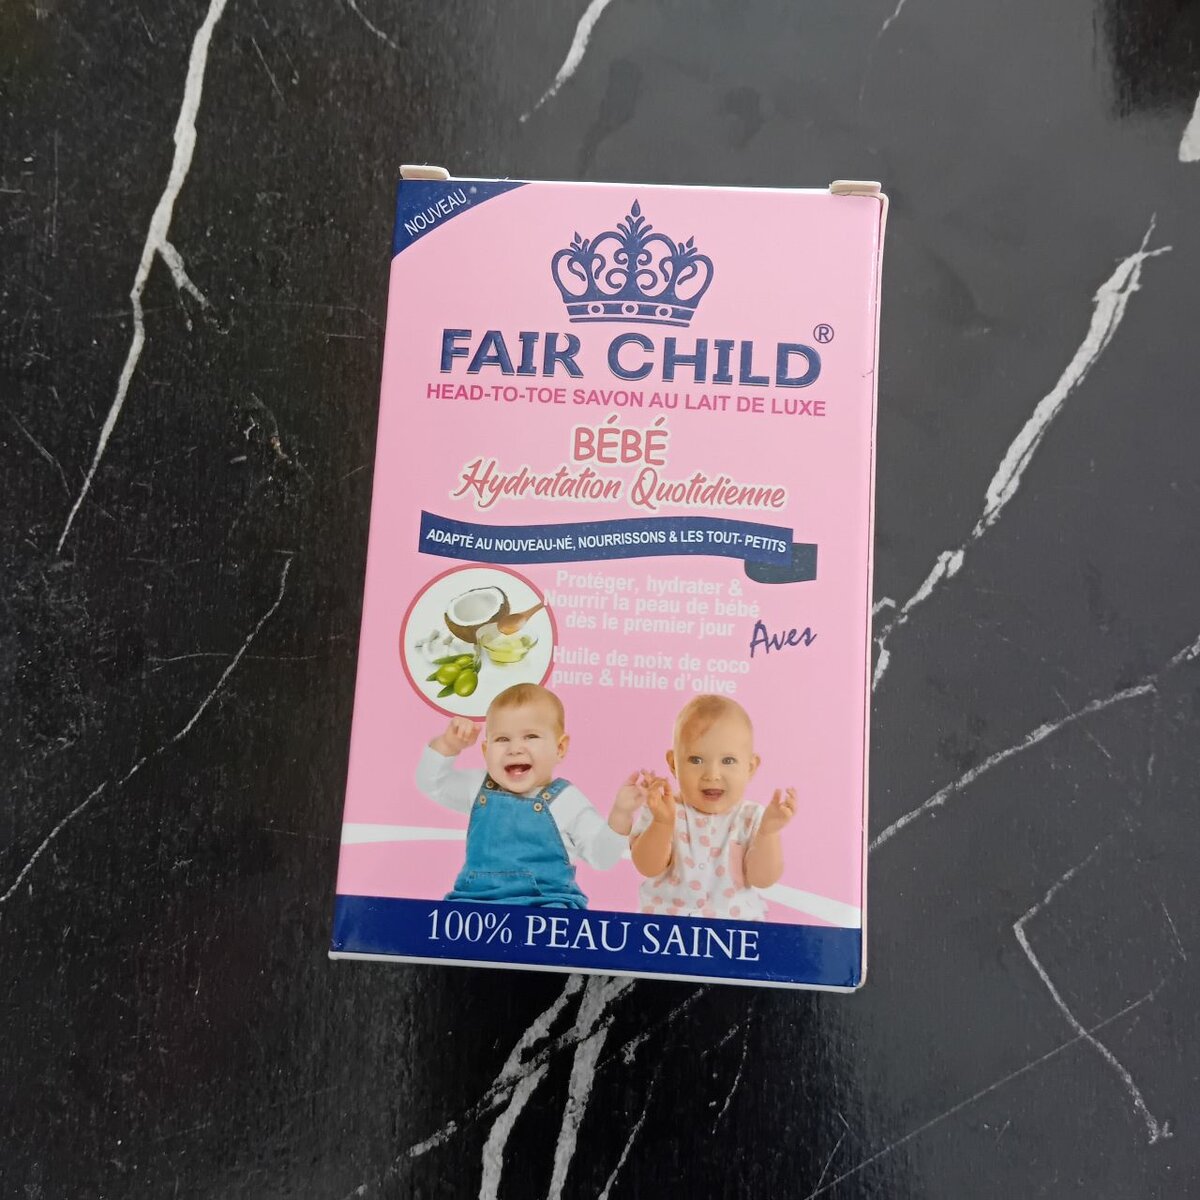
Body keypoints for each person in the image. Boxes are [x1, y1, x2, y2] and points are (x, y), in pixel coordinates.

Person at [417, 682, 644, 908]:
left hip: (545, 906)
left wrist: (621, 814)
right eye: (502, 739)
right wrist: (448, 745)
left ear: (560, 748)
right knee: (447, 919)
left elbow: (602, 858)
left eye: (531, 736)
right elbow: (432, 784)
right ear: (486, 751)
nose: (515, 749)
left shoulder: (566, 801)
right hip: (476, 902)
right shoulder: (478, 787)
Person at [630, 695, 796, 919]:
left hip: (734, 930)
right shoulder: (663, 809)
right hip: (666, 929)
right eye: (696, 760)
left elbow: (762, 879)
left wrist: (768, 833)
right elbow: (647, 867)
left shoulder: (753, 817)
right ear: (673, 763)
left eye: (728, 761)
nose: (712, 775)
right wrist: (662, 823)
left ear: (750, 767)